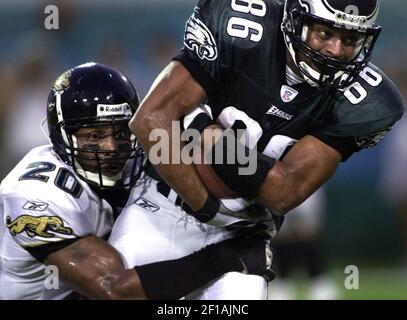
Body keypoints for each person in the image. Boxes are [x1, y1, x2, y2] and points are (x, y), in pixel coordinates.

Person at [109, 0, 404, 299]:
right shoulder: (240, 27)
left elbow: (283, 191)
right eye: (324, 34)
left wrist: (205, 134)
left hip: (240, 236)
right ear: (294, 19)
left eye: (350, 39)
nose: (336, 50)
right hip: (159, 207)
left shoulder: (367, 101)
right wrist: (206, 206)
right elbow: (149, 121)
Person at [0, 62, 274, 300]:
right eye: (95, 136)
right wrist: (225, 258)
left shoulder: (136, 159)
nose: (111, 147)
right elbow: (114, 290)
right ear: (62, 136)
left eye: (120, 133)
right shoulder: (36, 195)